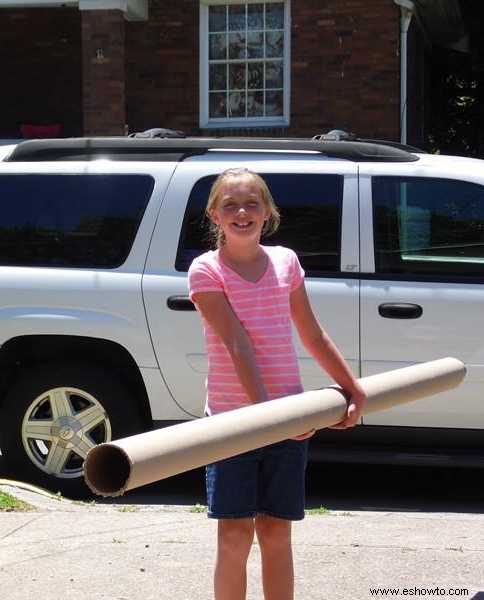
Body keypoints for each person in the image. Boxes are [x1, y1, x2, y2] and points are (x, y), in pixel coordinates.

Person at [187, 167, 366, 600]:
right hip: (233, 423)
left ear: (268, 212)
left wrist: (354, 390)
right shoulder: (206, 270)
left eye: (252, 203)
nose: (242, 212)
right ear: (214, 214)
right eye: (230, 204)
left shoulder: (286, 262)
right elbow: (236, 343)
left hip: (287, 419)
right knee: (234, 536)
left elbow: (312, 333)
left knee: (275, 533)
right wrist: (273, 418)